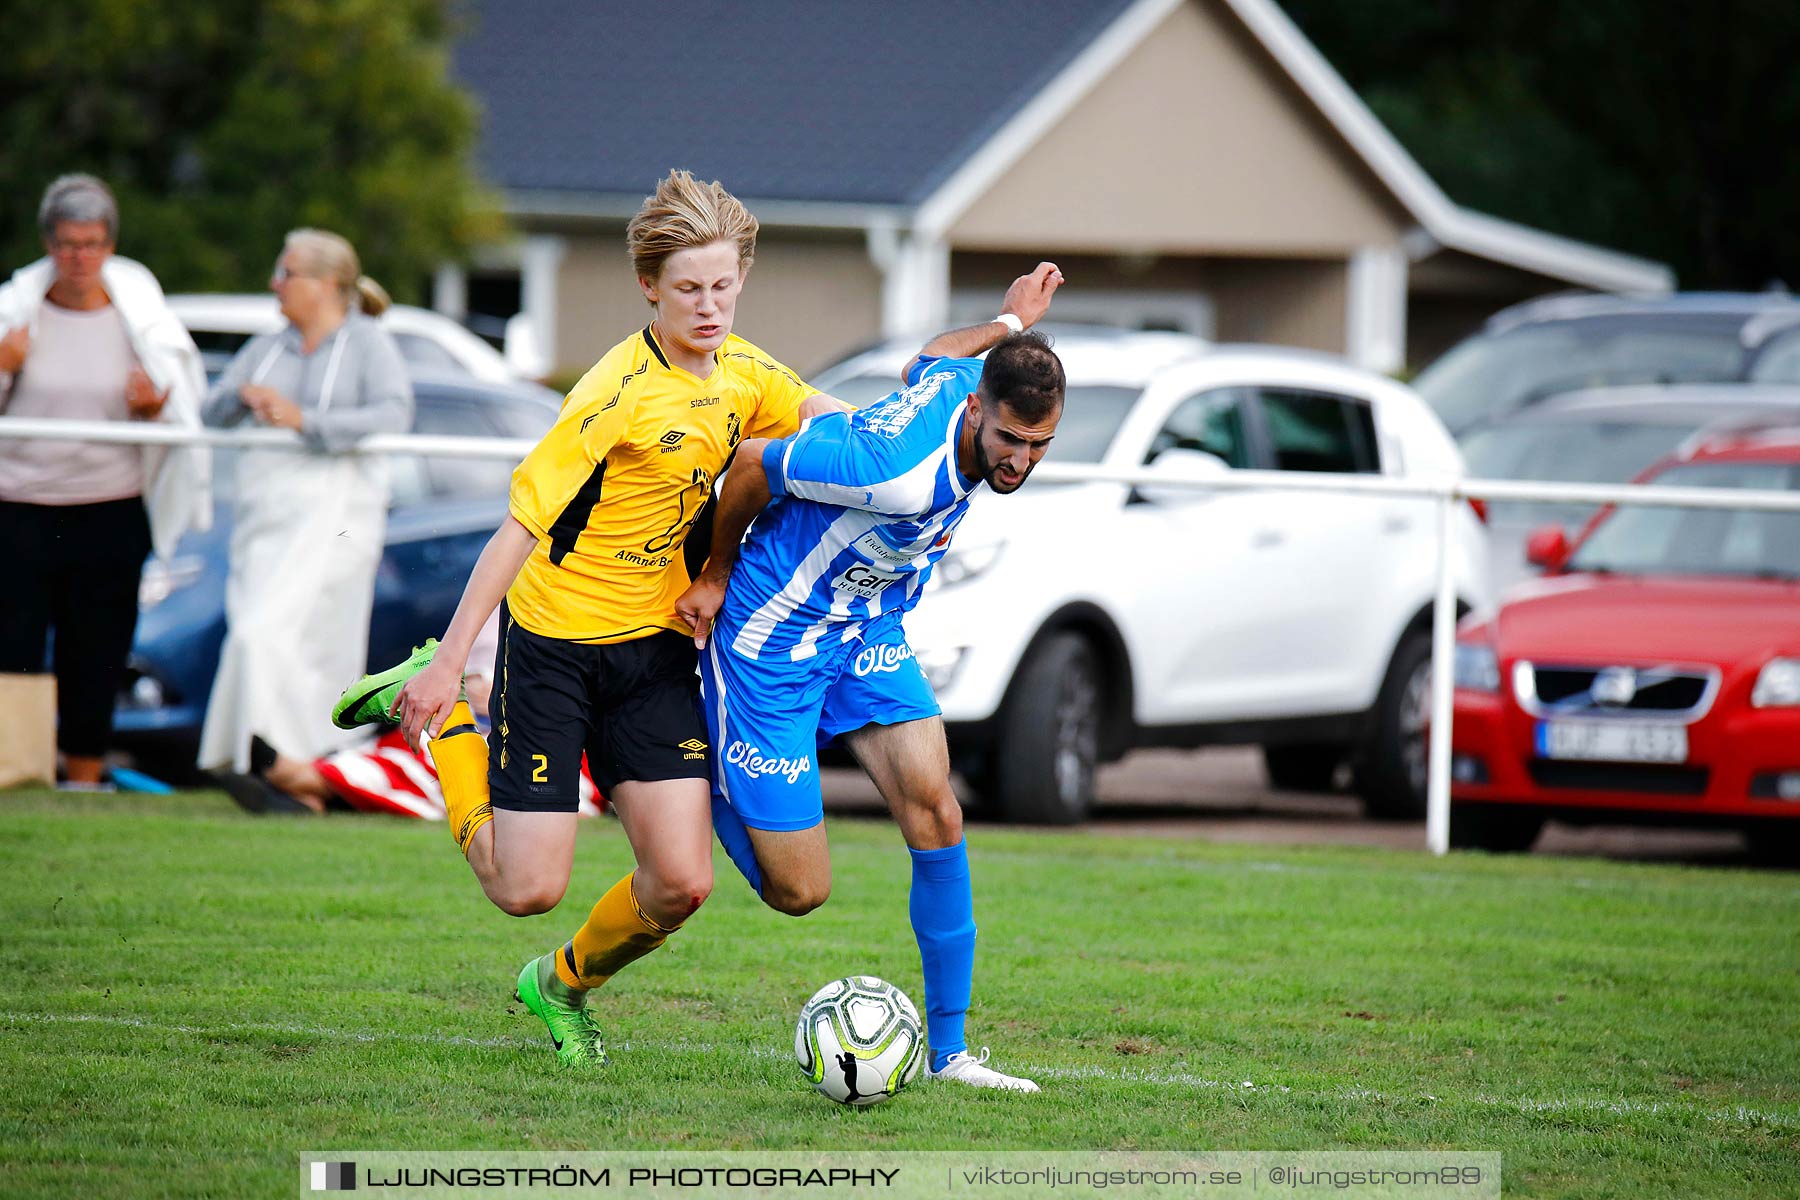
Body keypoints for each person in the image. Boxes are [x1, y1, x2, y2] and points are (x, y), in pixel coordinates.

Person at [331, 170, 846, 1066]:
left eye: (724, 285)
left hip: (652, 654)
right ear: (649, 286)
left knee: (682, 884)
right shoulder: (611, 394)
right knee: (525, 887)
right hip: (556, 651)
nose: (710, 306)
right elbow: (516, 532)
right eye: (689, 288)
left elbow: (837, 424)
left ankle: (562, 988)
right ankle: (448, 716)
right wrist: (453, 661)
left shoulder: (745, 375)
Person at [674, 262, 1067, 1092]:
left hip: (865, 627)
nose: (1020, 462)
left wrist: (1007, 321)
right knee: (800, 893)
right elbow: (751, 464)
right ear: (975, 414)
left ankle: (951, 1052)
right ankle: (689, 759)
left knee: (937, 810)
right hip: (775, 634)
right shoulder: (886, 466)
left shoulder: (972, 380)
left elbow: (928, 356)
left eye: (1038, 446)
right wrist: (712, 575)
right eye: (1009, 442)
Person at [0, 174, 211, 788]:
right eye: (66, 244)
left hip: (111, 509)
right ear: (47, 243)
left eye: (91, 244)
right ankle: (18, 771)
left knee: (96, 649)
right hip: (20, 506)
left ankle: (84, 776)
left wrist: (151, 411)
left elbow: (177, 406)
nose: (78, 258)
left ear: (110, 245)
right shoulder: (15, 314)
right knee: (14, 646)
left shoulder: (142, 317)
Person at [197, 229, 413, 780]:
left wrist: (305, 422)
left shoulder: (368, 343)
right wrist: (242, 396)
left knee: (298, 636)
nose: (275, 284)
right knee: (257, 629)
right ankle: (257, 756)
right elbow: (209, 410)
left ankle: (298, 760)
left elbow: (393, 414)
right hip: (266, 515)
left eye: (286, 273)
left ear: (323, 284)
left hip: (337, 514)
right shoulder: (268, 346)